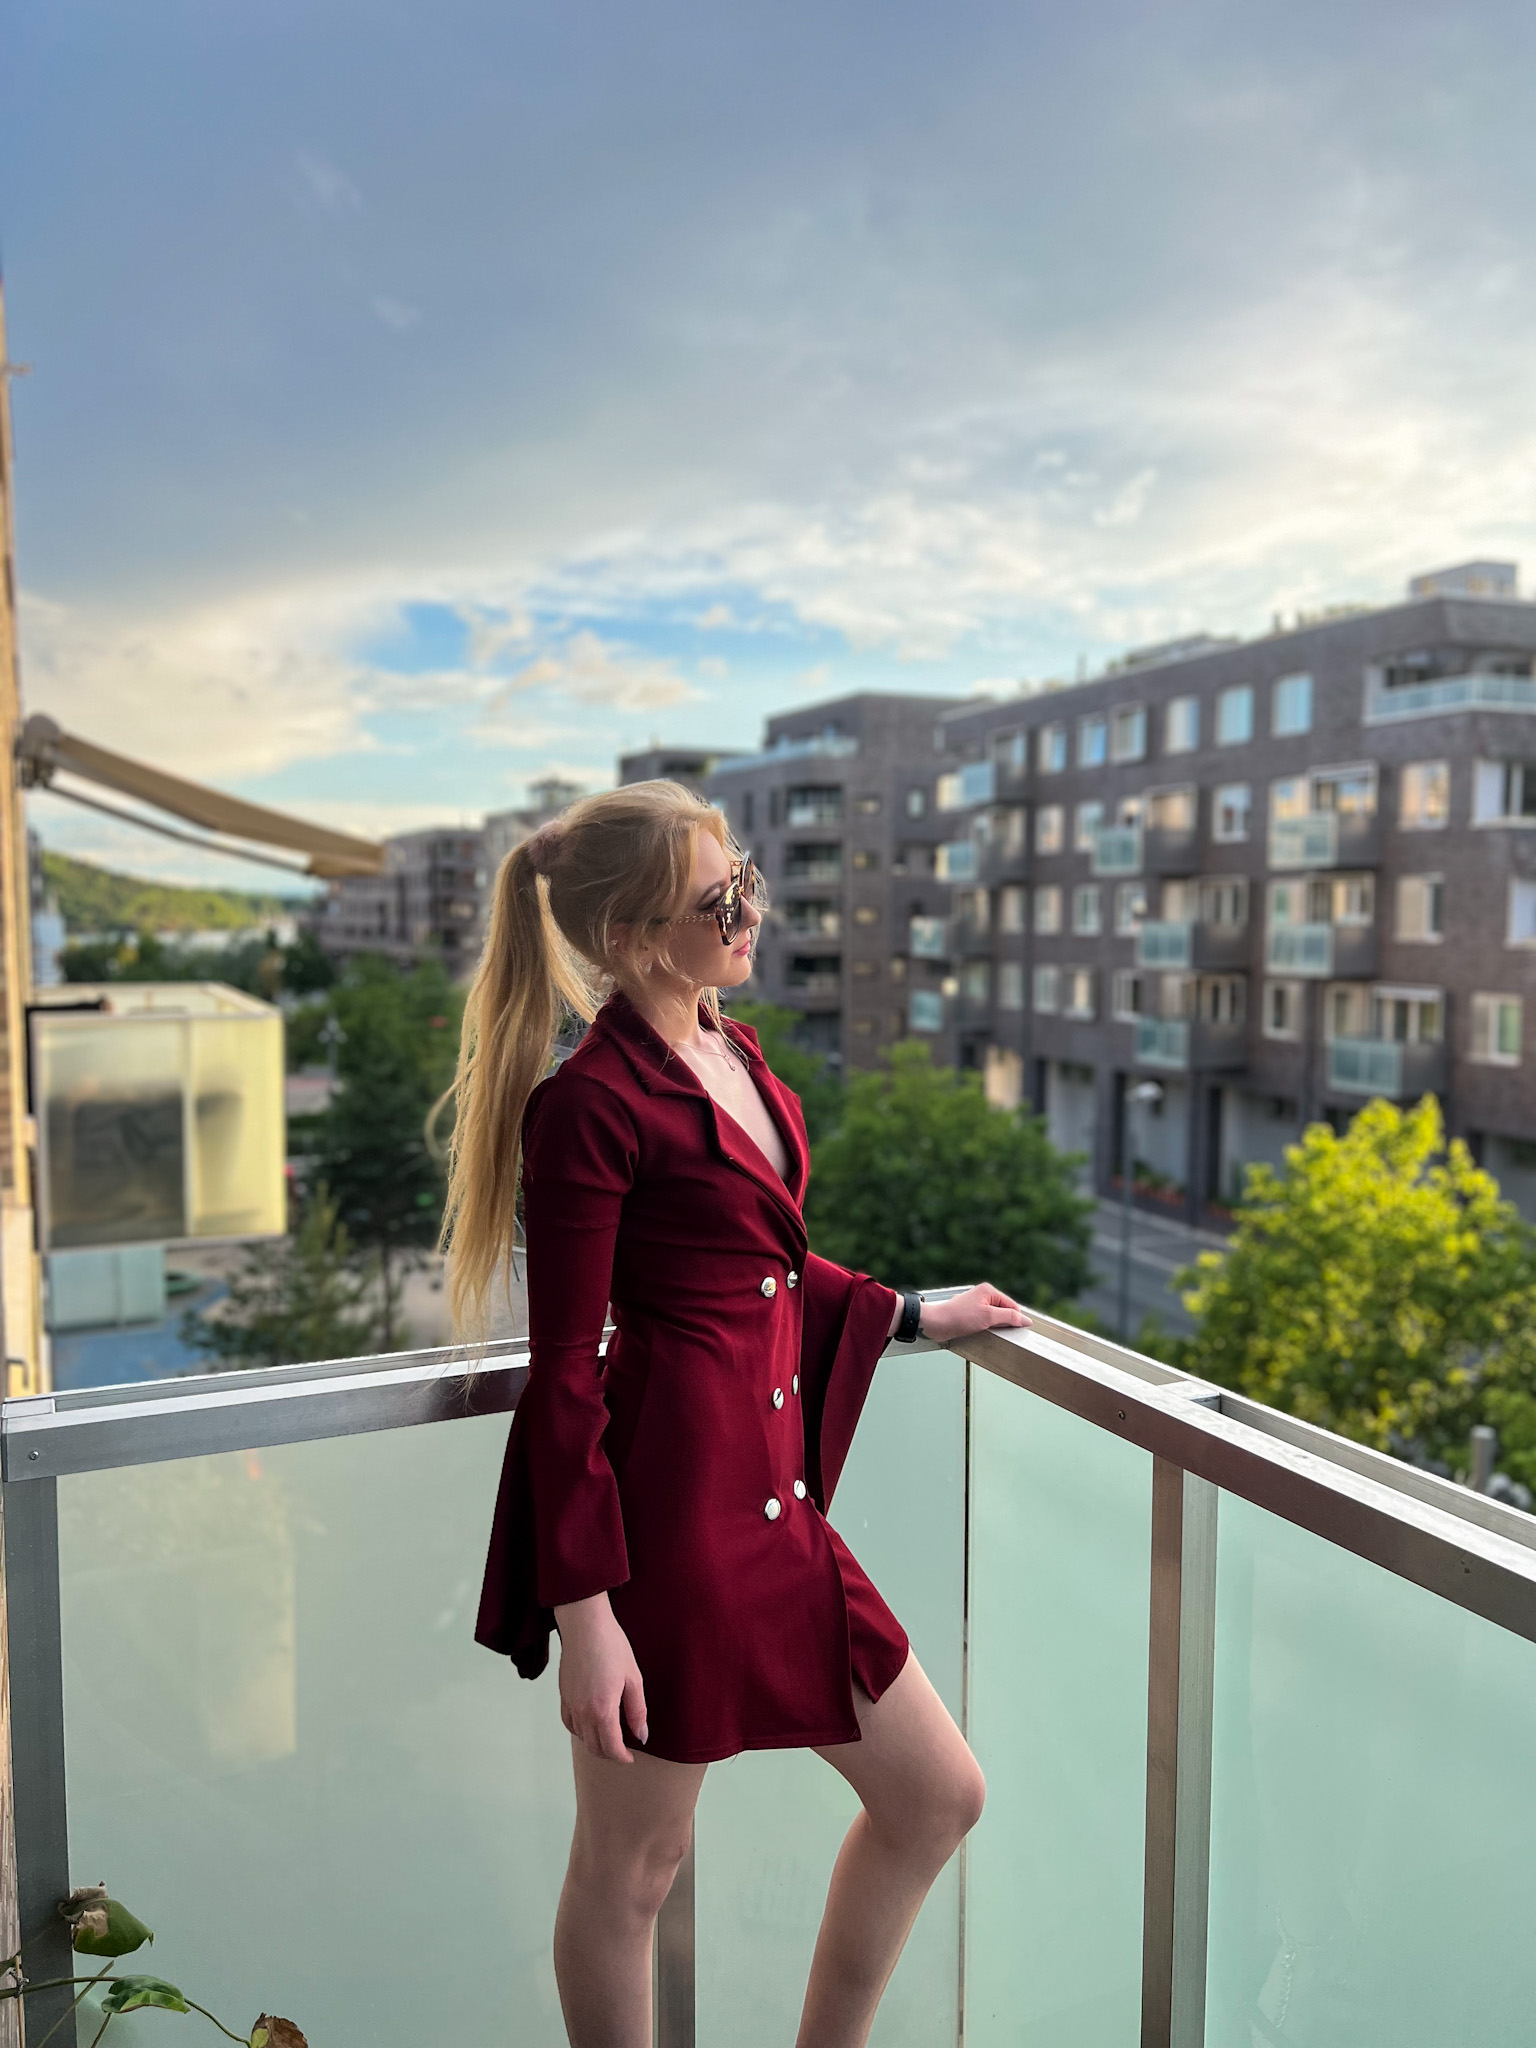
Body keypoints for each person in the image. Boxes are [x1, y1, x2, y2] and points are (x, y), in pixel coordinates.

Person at [438, 780, 1030, 2048]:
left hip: (777, 1515)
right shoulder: (588, 1104)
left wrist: (913, 1313)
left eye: (745, 876)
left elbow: (755, 1268)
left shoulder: (734, 1047)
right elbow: (566, 1373)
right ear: (636, 936)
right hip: (667, 1534)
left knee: (937, 1795)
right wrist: (587, 1616)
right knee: (631, 1872)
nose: (751, 908)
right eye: (721, 898)